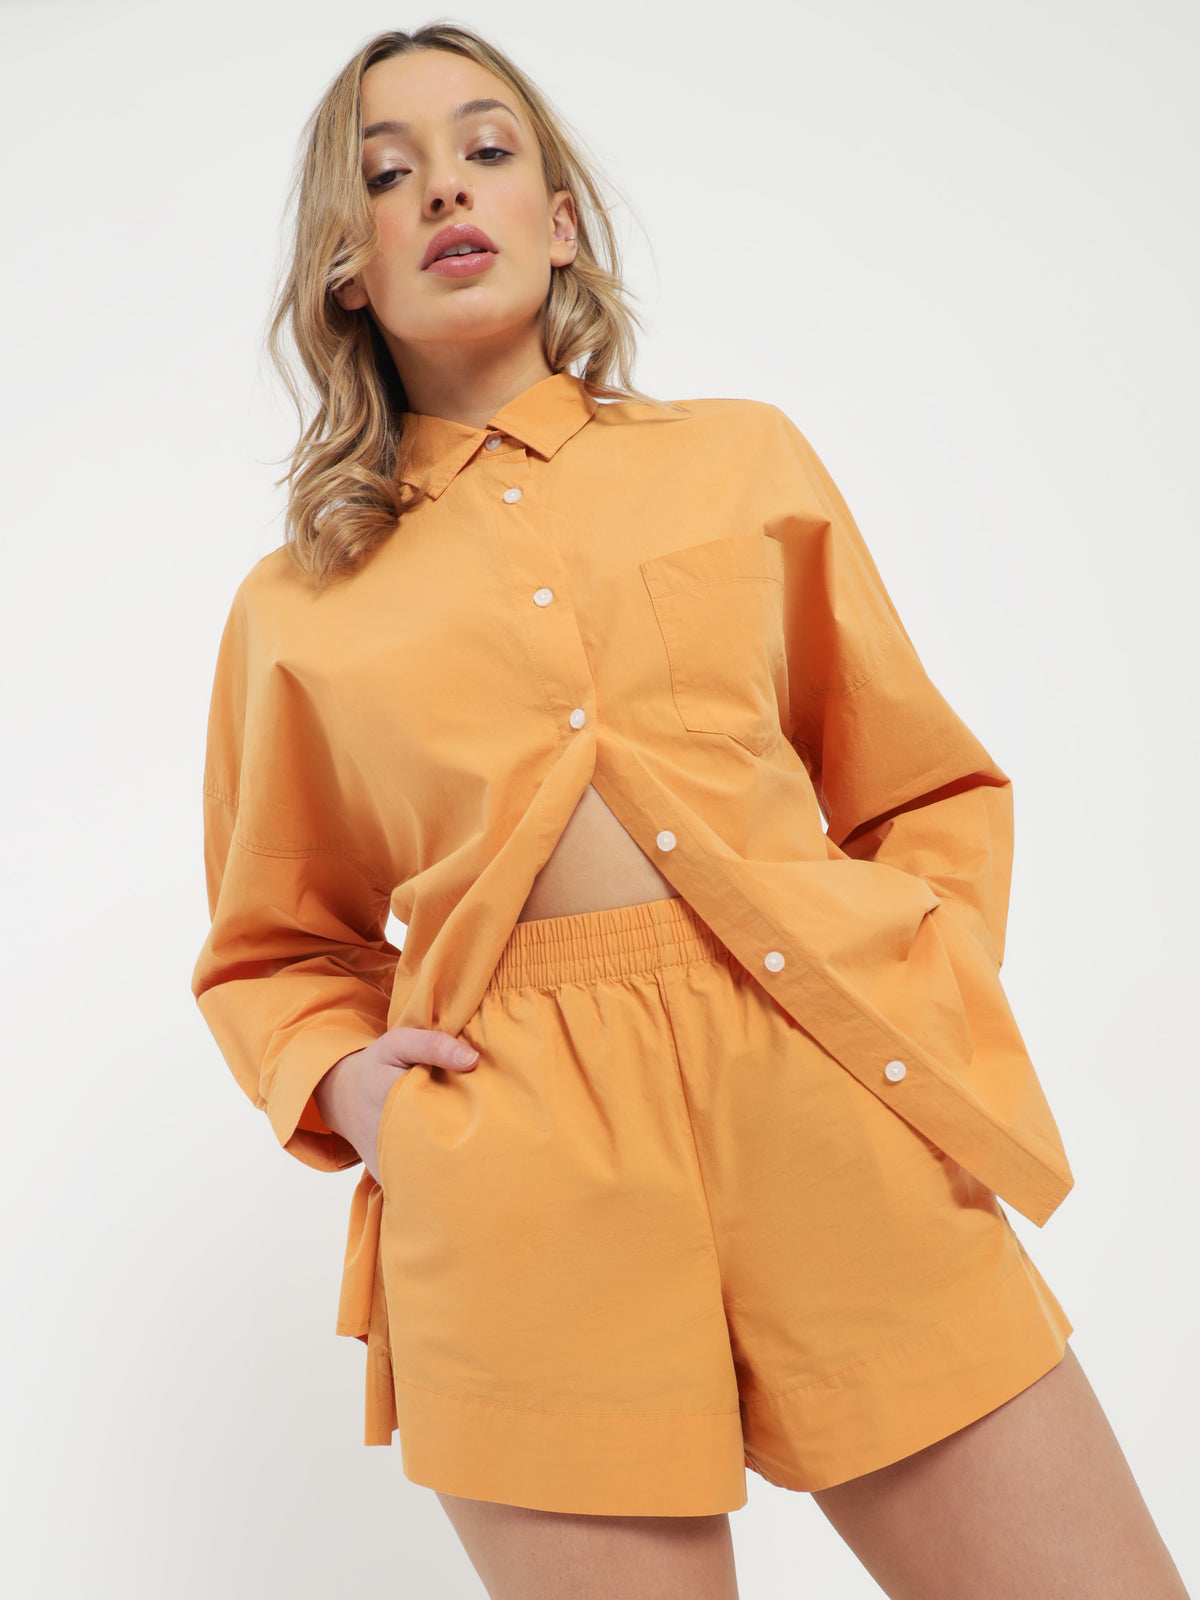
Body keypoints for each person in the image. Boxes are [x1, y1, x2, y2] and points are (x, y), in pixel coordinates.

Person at [190, 22, 1192, 1600]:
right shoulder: (297, 604)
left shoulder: (740, 461)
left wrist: (908, 975)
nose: (444, 187)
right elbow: (273, 946)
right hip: (520, 1165)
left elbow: (920, 784)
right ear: (347, 269)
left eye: (488, 150)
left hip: (827, 1106)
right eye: (387, 174)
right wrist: (352, 1088)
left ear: (559, 221)